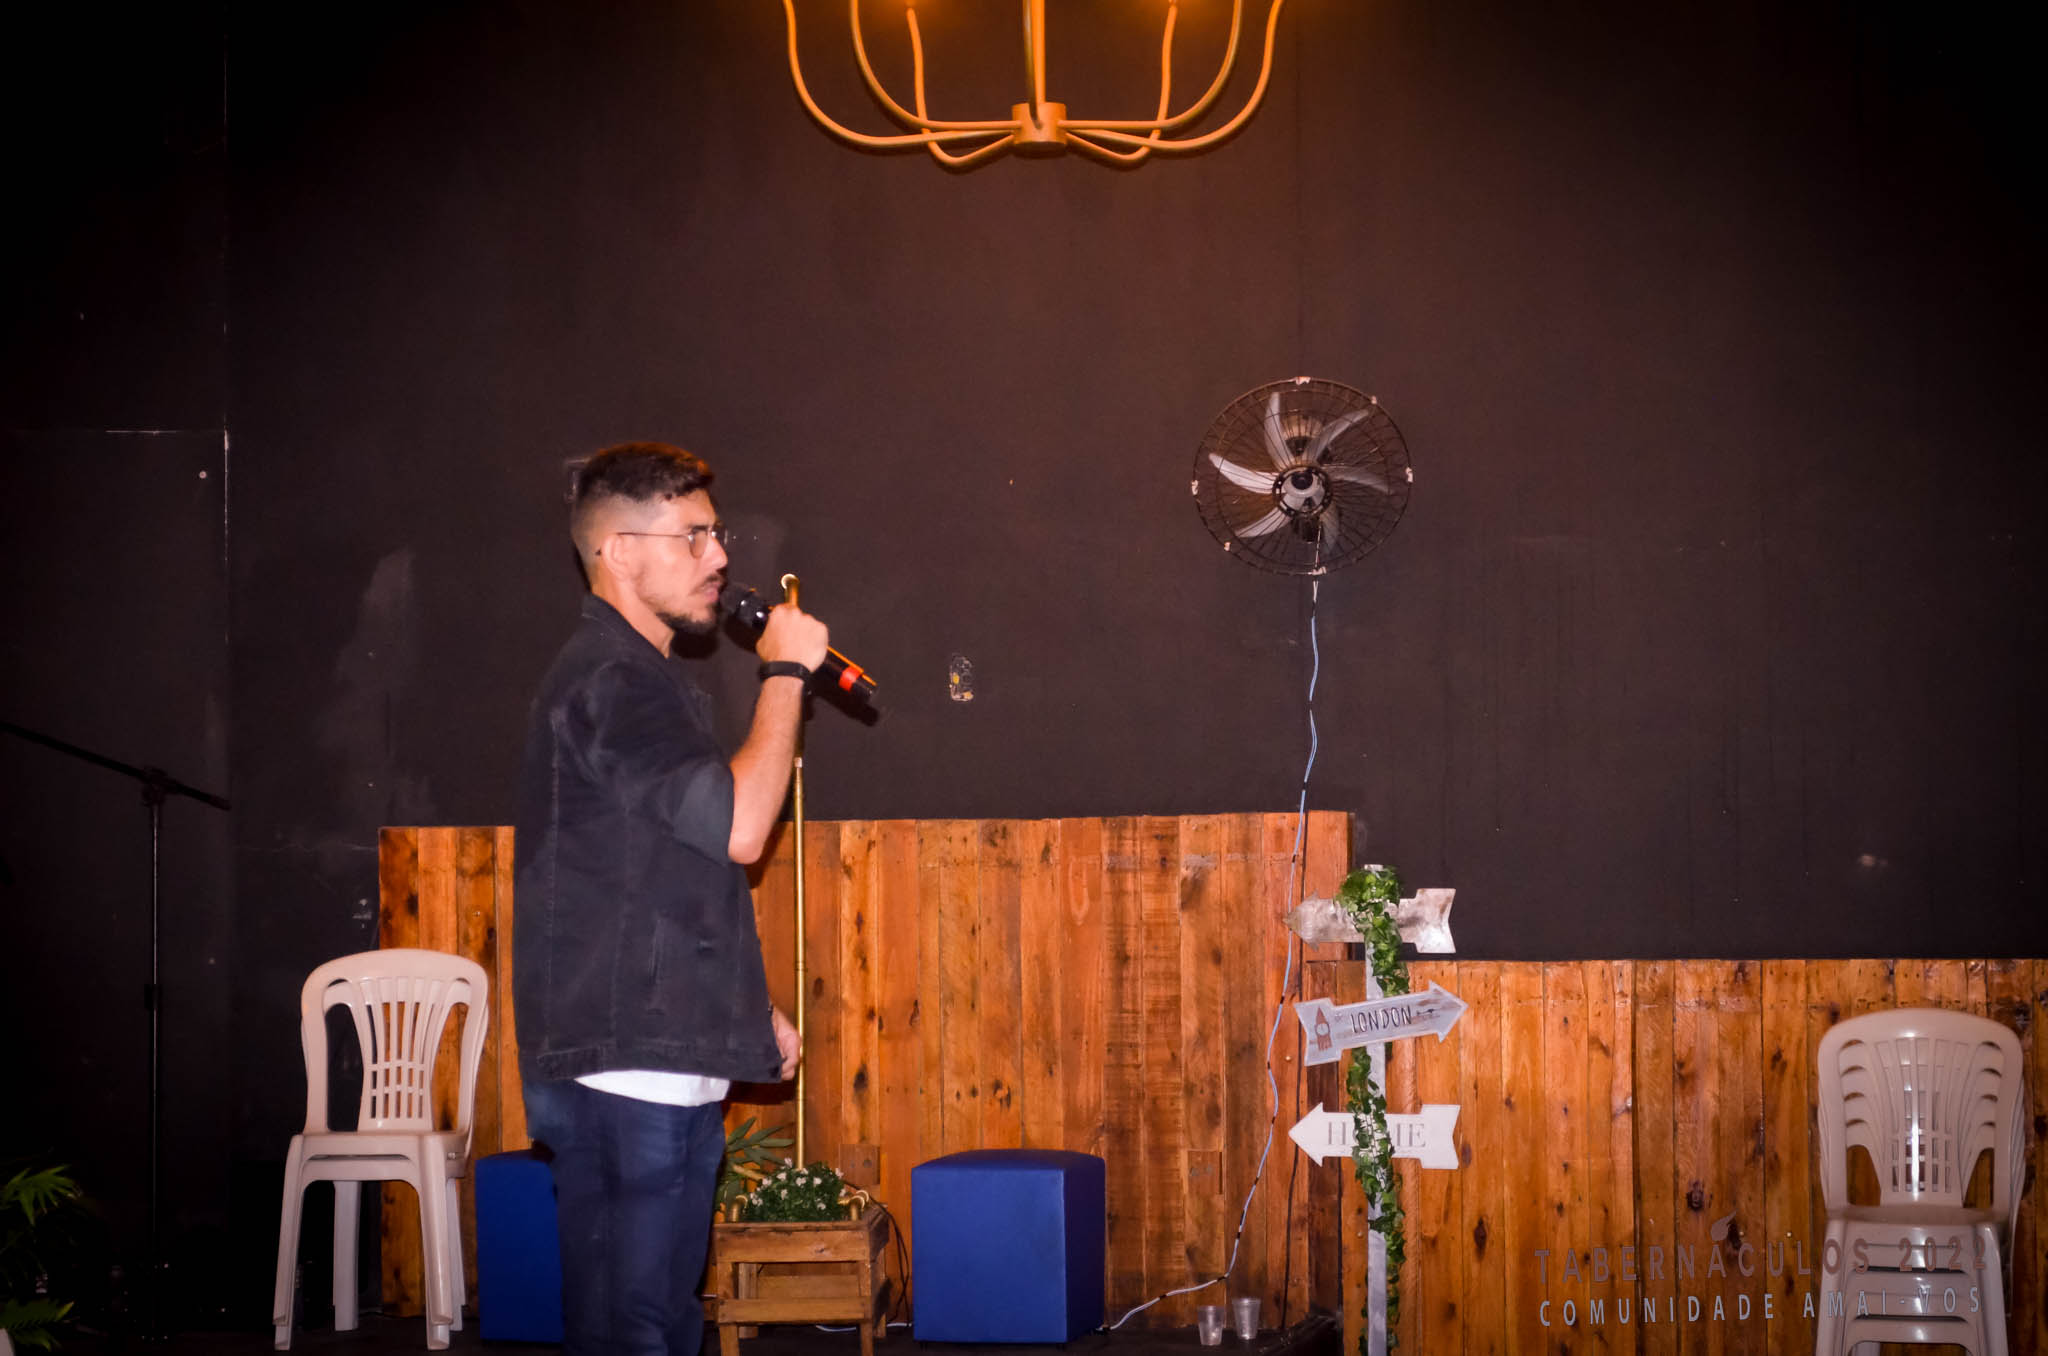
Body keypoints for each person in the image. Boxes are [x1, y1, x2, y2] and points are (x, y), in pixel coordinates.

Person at [513, 440, 827, 1355]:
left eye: (715, 534)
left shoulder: (646, 682)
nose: (719, 556)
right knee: (633, 1327)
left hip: (661, 1049)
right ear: (618, 551)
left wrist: (742, 1003)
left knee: (664, 1318)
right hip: (625, 1065)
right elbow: (741, 830)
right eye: (692, 536)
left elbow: (660, 871)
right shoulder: (609, 680)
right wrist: (785, 674)